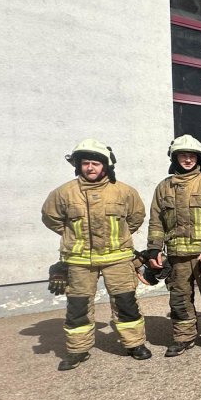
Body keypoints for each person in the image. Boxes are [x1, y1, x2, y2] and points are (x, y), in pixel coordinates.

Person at [41, 138, 150, 371]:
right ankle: (77, 350)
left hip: (117, 257)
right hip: (79, 260)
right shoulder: (63, 193)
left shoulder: (124, 192)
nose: (90, 168)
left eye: (95, 163)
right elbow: (51, 218)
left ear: (105, 166)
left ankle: (134, 344)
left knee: (126, 302)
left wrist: (118, 237)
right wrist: (73, 236)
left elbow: (136, 217)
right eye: (85, 163)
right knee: (78, 306)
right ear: (78, 165)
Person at [145, 135, 201, 356]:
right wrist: (154, 248)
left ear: (198, 158)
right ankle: (183, 338)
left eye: (191, 156)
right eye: (182, 155)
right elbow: (156, 222)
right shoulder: (164, 187)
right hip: (177, 256)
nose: (187, 160)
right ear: (175, 158)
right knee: (179, 299)